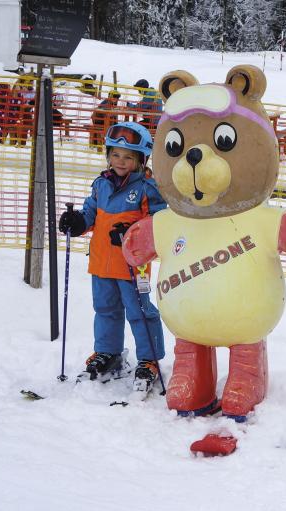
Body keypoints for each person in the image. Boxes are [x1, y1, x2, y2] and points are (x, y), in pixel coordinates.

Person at [58, 122, 167, 393]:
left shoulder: (147, 188)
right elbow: (90, 213)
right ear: (108, 155)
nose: (121, 161)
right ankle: (108, 352)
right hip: (101, 262)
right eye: (116, 154)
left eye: (129, 157)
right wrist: (77, 222)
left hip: (133, 265)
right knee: (105, 309)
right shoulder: (101, 184)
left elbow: (158, 221)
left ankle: (149, 359)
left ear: (140, 160)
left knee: (140, 312)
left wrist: (133, 231)